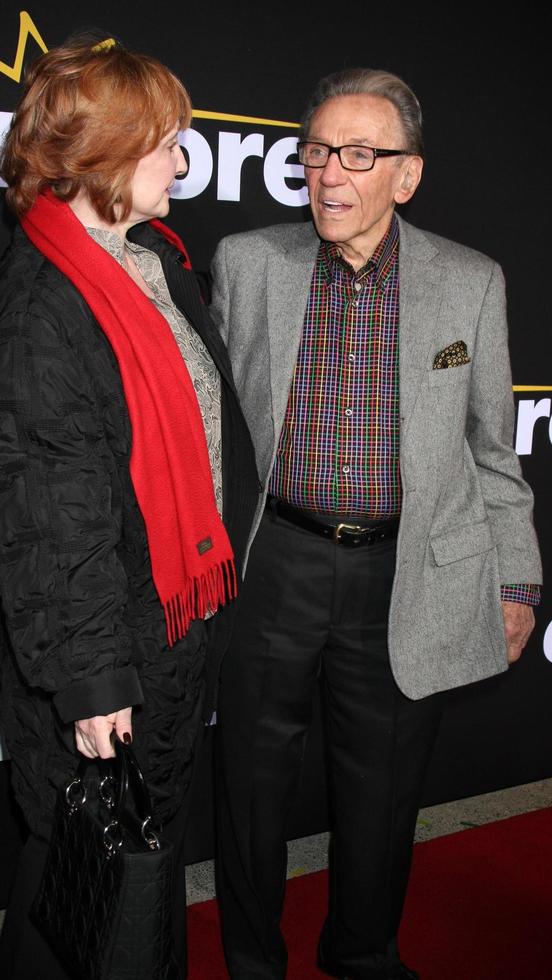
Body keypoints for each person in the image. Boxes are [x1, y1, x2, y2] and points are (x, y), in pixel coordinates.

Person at [209, 67, 542, 980]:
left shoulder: (469, 282)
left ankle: (362, 955)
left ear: (408, 175)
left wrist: (515, 581)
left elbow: (492, 450)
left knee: (383, 794)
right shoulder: (247, 262)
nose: (330, 174)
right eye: (316, 151)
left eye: (360, 155)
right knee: (249, 788)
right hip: (272, 561)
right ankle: (250, 962)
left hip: (407, 574)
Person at [0, 35, 258, 980]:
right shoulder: (44, 302)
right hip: (108, 660)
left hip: (170, 634)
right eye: (166, 142)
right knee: (85, 883)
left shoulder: (147, 258)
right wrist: (91, 680)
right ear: (103, 151)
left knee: (138, 873)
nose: (183, 162)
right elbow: (51, 503)